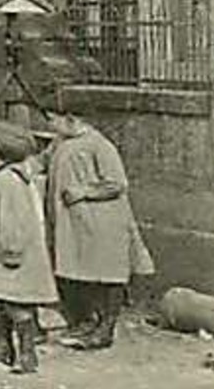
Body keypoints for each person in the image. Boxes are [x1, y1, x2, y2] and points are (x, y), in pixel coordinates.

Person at [44, 112, 155, 351]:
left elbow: (117, 183)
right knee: (78, 271)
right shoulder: (60, 143)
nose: (51, 125)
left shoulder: (101, 146)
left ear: (71, 119)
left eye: (54, 120)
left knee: (107, 273)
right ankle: (86, 323)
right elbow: (41, 163)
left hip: (103, 221)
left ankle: (106, 329)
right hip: (75, 223)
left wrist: (83, 191)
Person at [0, 121, 57, 374]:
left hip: (9, 256)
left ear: (0, 154)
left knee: (18, 307)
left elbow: (12, 220)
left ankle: (27, 354)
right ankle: (7, 349)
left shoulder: (6, 181)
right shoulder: (7, 176)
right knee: (1, 303)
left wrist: (11, 251)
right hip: (0, 255)